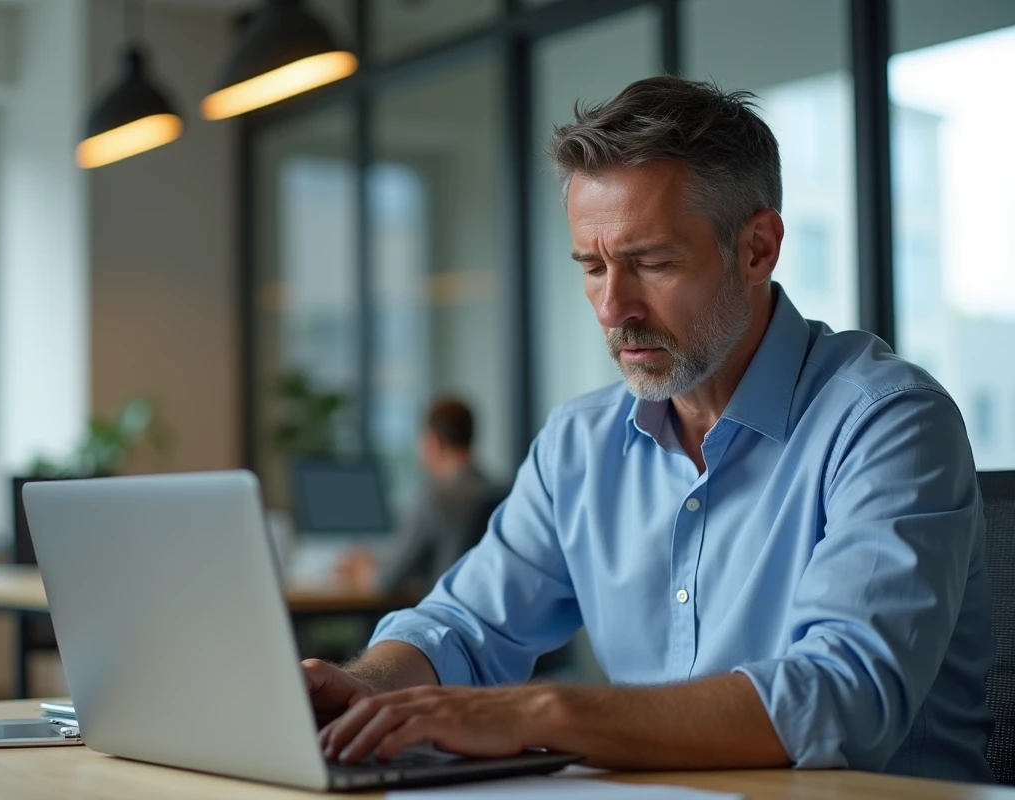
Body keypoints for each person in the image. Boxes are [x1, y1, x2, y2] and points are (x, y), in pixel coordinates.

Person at [302, 76, 994, 782]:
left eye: (651, 263)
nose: (612, 308)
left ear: (757, 248)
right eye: (592, 267)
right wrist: (369, 686)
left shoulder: (888, 423)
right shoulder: (579, 444)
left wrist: (542, 715)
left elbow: (841, 700)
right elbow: (463, 626)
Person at [335, 397, 505, 595]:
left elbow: (387, 580)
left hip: (439, 615)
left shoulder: (435, 498)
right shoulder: (499, 492)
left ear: (433, 443)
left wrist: (360, 571)